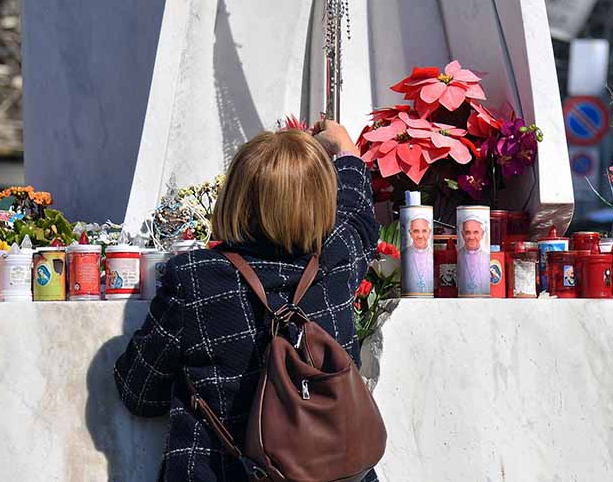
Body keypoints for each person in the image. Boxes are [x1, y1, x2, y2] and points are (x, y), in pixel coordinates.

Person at [114, 122, 379, 482]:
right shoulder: (337, 258)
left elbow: (140, 393)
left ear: (235, 195)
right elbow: (357, 214)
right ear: (322, 200)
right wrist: (346, 151)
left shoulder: (195, 278)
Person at [458, 217, 489, 294]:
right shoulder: (457, 256)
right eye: (468, 232)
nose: (471, 237)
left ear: (482, 234)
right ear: (462, 234)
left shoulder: (488, 257)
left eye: (476, 232)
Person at [402, 216, 433, 294]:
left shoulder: (434, 254)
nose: (420, 236)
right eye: (416, 231)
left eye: (424, 231)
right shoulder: (404, 255)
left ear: (429, 233)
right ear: (410, 233)